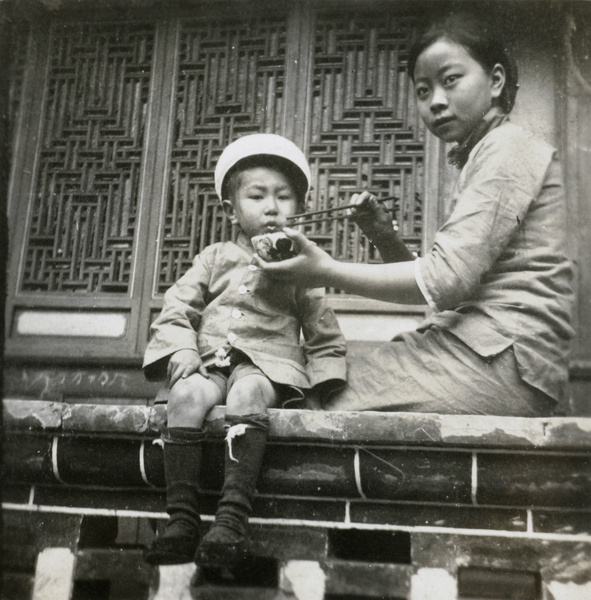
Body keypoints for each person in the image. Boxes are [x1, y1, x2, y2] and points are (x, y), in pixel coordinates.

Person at [255, 12, 574, 417]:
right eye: (423, 90)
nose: (436, 100)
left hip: (504, 359)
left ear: (495, 81)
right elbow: (444, 292)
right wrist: (384, 238)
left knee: (318, 402)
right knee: (325, 383)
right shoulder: (489, 151)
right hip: (490, 352)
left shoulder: (506, 147)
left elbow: (444, 282)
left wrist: (324, 270)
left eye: (451, 80)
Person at [142, 133, 347, 567]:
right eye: (257, 196)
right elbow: (177, 308)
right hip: (209, 361)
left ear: (300, 208)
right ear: (231, 209)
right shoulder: (213, 258)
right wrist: (181, 349)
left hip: (268, 368)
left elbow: (323, 332)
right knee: (185, 396)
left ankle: (231, 520)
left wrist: (325, 389)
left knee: (247, 393)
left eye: (284, 197)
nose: (272, 207)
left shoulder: (301, 268)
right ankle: (181, 519)